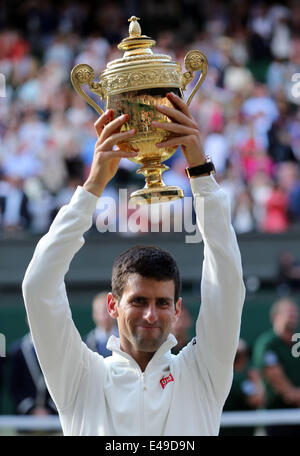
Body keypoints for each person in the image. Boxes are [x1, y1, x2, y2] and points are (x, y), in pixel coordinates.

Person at [22, 92, 245, 436]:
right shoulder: (80, 377)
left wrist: (200, 173)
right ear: (112, 304)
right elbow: (38, 286)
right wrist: (94, 186)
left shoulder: (203, 372)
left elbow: (227, 280)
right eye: (139, 301)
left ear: (177, 309)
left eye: (162, 303)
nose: (151, 315)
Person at [253, 297, 300, 436]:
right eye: (289, 312)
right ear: (276, 316)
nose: (293, 316)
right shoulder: (268, 343)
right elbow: (274, 375)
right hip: (277, 414)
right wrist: (294, 395)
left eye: (295, 312)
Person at [219, 339, 265, 436]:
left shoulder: (227, 376)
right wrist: (257, 381)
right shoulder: (237, 379)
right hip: (232, 429)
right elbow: (257, 400)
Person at [9, 331, 57, 417]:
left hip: (55, 418)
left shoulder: (59, 348)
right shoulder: (18, 349)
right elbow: (15, 387)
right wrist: (31, 410)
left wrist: (50, 409)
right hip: (25, 420)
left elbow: (64, 384)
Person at [84, 292, 118, 357]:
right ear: (94, 314)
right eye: (99, 311)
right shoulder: (86, 343)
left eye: (106, 310)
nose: (103, 315)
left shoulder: (126, 340)